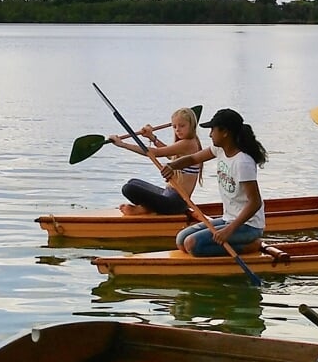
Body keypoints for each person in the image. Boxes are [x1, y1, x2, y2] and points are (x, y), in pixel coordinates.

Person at [161, 108, 267, 257]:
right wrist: (172, 166)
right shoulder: (220, 149)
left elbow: (255, 202)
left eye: (213, 130)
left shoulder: (243, 162)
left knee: (192, 245)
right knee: (180, 240)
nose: (210, 134)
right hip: (228, 218)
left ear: (225, 133)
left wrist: (228, 231)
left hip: (249, 226)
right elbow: (193, 158)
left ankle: (251, 246)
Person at [107, 107, 202, 216]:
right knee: (133, 182)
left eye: (182, 126)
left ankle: (145, 209)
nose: (177, 130)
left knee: (128, 189)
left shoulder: (188, 144)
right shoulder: (186, 144)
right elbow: (170, 155)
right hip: (169, 194)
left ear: (192, 125)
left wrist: (123, 144)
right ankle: (147, 207)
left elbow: (155, 152)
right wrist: (152, 137)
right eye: (174, 126)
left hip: (175, 203)